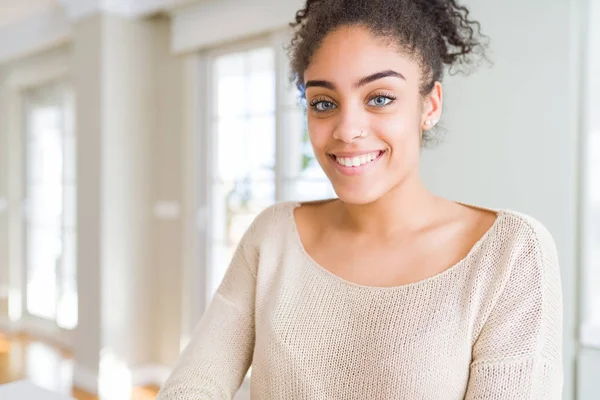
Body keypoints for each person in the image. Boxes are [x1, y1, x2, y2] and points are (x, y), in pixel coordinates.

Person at [157, 0, 563, 398]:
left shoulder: (509, 254)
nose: (347, 129)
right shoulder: (273, 236)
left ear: (430, 105)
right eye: (324, 103)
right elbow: (195, 382)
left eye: (380, 98)